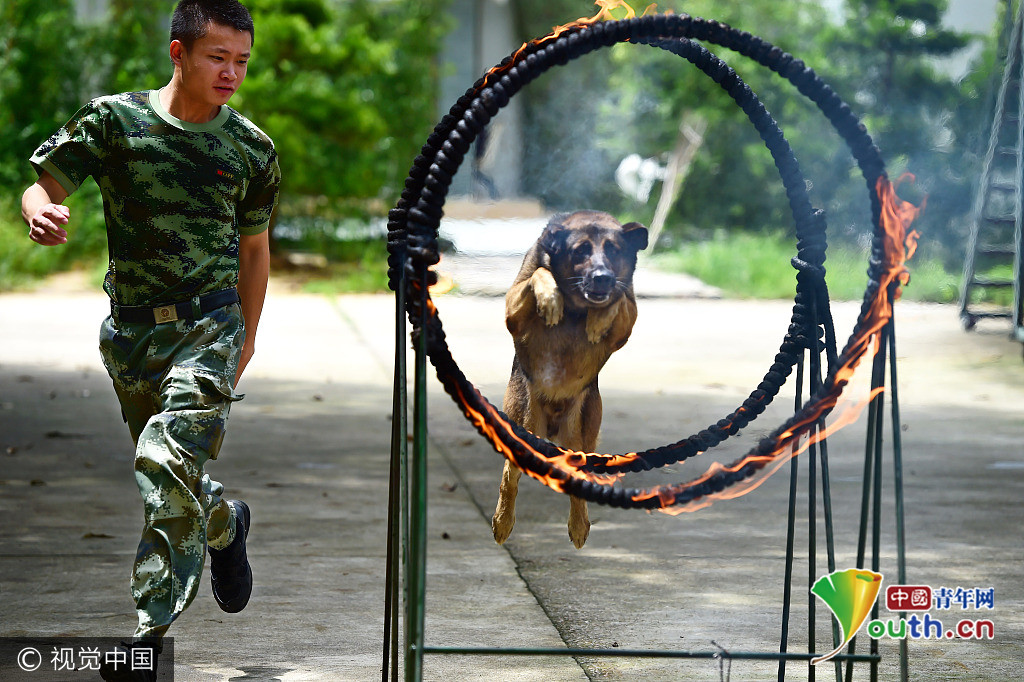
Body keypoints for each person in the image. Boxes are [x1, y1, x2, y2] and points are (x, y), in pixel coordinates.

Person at [21, 1, 279, 677]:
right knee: (173, 475)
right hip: (132, 333)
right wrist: (41, 211)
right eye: (218, 57)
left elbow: (255, 253)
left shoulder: (250, 148)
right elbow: (41, 185)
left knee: (164, 461)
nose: (231, 73)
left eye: (242, 61)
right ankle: (225, 523)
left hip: (212, 324)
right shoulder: (114, 121)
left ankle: (145, 637)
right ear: (179, 53)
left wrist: (245, 338)